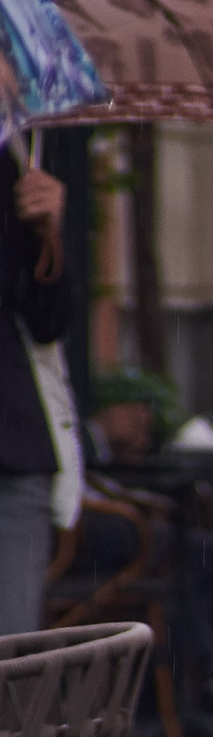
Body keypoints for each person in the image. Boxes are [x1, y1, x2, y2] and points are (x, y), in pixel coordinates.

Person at [0, 148, 71, 637]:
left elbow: (47, 322)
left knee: (12, 664)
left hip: (12, 450)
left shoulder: (11, 161)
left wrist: (48, 235)